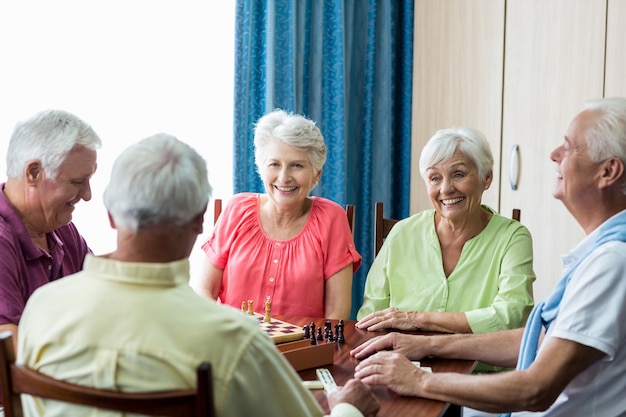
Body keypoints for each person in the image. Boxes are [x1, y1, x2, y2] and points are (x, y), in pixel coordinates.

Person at [17, 133, 380, 417]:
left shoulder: (41, 308)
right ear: (200, 218)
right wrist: (348, 407)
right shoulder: (233, 340)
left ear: (110, 213)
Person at [350, 97, 626, 416]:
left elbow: (535, 389)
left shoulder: (611, 263)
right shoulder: (602, 254)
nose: (553, 155)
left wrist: (417, 379)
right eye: (434, 177)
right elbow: (537, 340)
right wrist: (426, 345)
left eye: (568, 146)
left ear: (608, 171)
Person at [356, 127, 535, 340]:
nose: (446, 189)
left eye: (458, 174)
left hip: (480, 368)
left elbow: (511, 316)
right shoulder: (402, 233)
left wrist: (417, 319)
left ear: (486, 178)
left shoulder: (513, 238)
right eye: (434, 178)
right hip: (404, 363)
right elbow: (371, 317)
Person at [195, 109, 361, 319]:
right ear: (261, 168)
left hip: (302, 349)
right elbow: (203, 292)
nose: (284, 178)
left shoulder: (331, 218)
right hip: (232, 343)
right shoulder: (236, 209)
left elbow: (337, 311)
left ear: (316, 174)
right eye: (274, 164)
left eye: (297, 165)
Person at [0, 109, 101, 350]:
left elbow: (103, 295)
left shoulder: (61, 229)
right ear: (33, 173)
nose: (87, 195)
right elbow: (9, 349)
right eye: (77, 182)